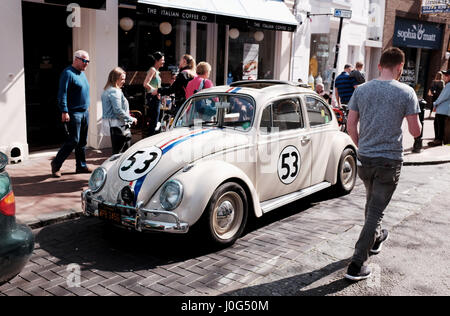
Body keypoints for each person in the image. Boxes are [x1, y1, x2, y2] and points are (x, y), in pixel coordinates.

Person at [345, 47, 421, 281]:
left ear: (379, 65)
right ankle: (357, 264)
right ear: (400, 68)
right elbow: (415, 131)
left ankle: (376, 238)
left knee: (372, 203)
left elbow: (350, 125)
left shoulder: (362, 90)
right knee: (376, 211)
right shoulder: (406, 92)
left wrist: (362, 146)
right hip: (389, 161)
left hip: (365, 160)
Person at [51, 50, 91, 178]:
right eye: (84, 61)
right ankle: (56, 164)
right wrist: (64, 111)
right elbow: (62, 93)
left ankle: (81, 166)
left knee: (82, 141)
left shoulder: (82, 74)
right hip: (74, 113)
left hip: (85, 112)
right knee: (73, 140)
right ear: (76, 59)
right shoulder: (67, 73)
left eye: (88, 61)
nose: (86, 64)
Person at [101, 67, 137, 154]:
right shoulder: (115, 91)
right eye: (122, 79)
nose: (124, 81)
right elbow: (118, 110)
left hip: (114, 125)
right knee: (121, 154)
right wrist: (131, 119)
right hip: (119, 125)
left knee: (117, 151)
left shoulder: (107, 90)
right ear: (115, 79)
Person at [143, 52, 165, 137]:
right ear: (157, 61)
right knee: (154, 120)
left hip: (156, 97)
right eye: (162, 60)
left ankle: (151, 137)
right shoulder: (152, 70)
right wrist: (154, 91)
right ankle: (150, 138)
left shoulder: (156, 71)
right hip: (153, 97)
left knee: (155, 120)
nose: (164, 62)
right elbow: (145, 84)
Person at [428, 69, 450, 147]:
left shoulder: (448, 85)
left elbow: (442, 97)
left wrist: (435, 103)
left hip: (442, 109)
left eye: (446, 75)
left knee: (439, 125)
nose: (445, 76)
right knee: (440, 125)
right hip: (445, 109)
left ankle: (438, 141)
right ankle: (438, 140)